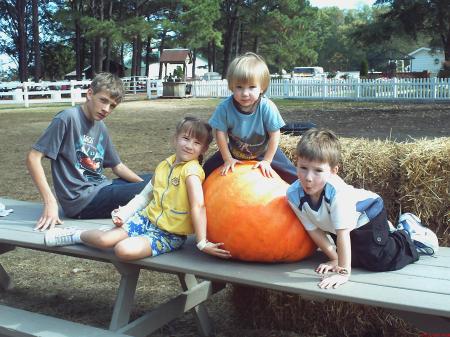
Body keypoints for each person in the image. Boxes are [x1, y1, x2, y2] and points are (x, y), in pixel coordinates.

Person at [44, 116, 232, 261]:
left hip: (169, 234)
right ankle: (75, 235)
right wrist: (125, 213)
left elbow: (198, 206)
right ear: (175, 139)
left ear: (204, 149)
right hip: (145, 219)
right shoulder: (164, 165)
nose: (189, 145)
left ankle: (105, 235)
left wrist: (201, 242)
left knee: (122, 250)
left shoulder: (192, 173)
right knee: (104, 241)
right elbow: (145, 196)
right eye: (185, 138)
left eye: (197, 142)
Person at [287, 128, 439, 289]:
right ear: (296, 162)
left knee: (378, 259)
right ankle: (387, 233)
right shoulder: (293, 195)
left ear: (333, 171)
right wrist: (335, 258)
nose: (308, 178)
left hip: (367, 214)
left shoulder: (337, 193)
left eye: (318, 170)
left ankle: (409, 234)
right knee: (354, 259)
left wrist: (342, 273)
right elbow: (313, 230)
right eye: (303, 168)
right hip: (342, 224)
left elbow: (342, 234)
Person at [26, 73, 151, 231]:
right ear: (90, 94)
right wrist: (50, 202)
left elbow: (117, 166)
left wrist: (144, 185)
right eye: (103, 101)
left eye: (112, 106)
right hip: (81, 202)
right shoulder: (67, 118)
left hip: (102, 188)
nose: (106, 109)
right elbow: (33, 158)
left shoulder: (100, 126)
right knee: (156, 187)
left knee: (158, 179)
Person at [203, 52, 297, 184]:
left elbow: (275, 134)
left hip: (264, 152)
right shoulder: (224, 108)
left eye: (252, 87)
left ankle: (305, 198)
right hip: (235, 152)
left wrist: (267, 161)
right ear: (231, 87)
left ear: (262, 88)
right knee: (206, 169)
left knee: (293, 174)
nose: (245, 93)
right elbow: (219, 133)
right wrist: (227, 158)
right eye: (239, 87)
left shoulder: (267, 107)